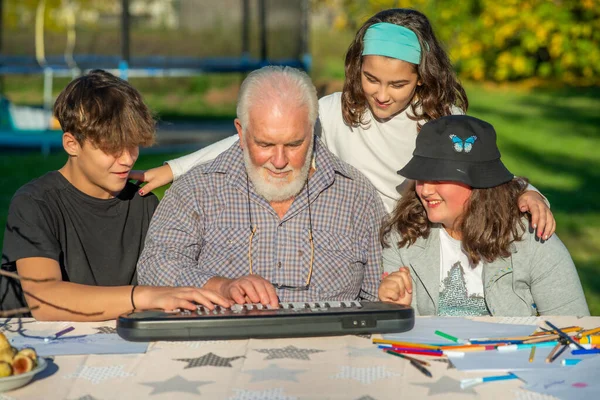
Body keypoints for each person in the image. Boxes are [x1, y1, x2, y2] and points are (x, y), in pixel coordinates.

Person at [130, 8, 555, 240]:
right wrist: (173, 169)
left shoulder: (443, 120)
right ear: (357, 69)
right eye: (371, 79)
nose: (381, 94)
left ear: (422, 78)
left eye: (397, 84)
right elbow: (258, 137)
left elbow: (483, 167)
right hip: (360, 239)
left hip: (425, 238)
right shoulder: (335, 111)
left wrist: (530, 192)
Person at [137, 66, 387, 307]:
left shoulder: (356, 195)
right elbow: (154, 266)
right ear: (241, 133)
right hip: (224, 345)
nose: (279, 161)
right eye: (265, 145)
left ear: (311, 131)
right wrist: (219, 286)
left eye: (294, 144)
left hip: (330, 346)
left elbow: (379, 295)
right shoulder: (196, 190)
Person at [0, 70, 232, 321]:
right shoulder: (35, 204)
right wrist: (141, 297)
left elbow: (246, 140)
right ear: (71, 144)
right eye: (111, 147)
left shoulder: (143, 202)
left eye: (133, 145)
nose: (127, 159)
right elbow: (44, 300)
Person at [378, 115, 589, 317]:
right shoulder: (403, 237)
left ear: (479, 183)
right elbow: (397, 341)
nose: (425, 191)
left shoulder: (531, 238)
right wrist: (397, 313)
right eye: (420, 177)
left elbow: (574, 325)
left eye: (439, 178)